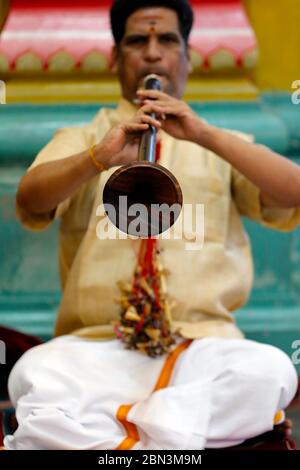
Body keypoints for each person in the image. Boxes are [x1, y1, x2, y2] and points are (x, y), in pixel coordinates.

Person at [4, 0, 300, 450]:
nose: (153, 53)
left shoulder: (223, 143)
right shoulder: (84, 139)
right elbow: (31, 199)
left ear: (188, 57)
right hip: (99, 349)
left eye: (167, 40)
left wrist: (204, 135)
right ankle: (171, 433)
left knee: (270, 370)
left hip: (201, 347)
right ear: (115, 58)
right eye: (137, 40)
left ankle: (123, 434)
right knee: (34, 374)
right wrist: (97, 158)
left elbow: (293, 192)